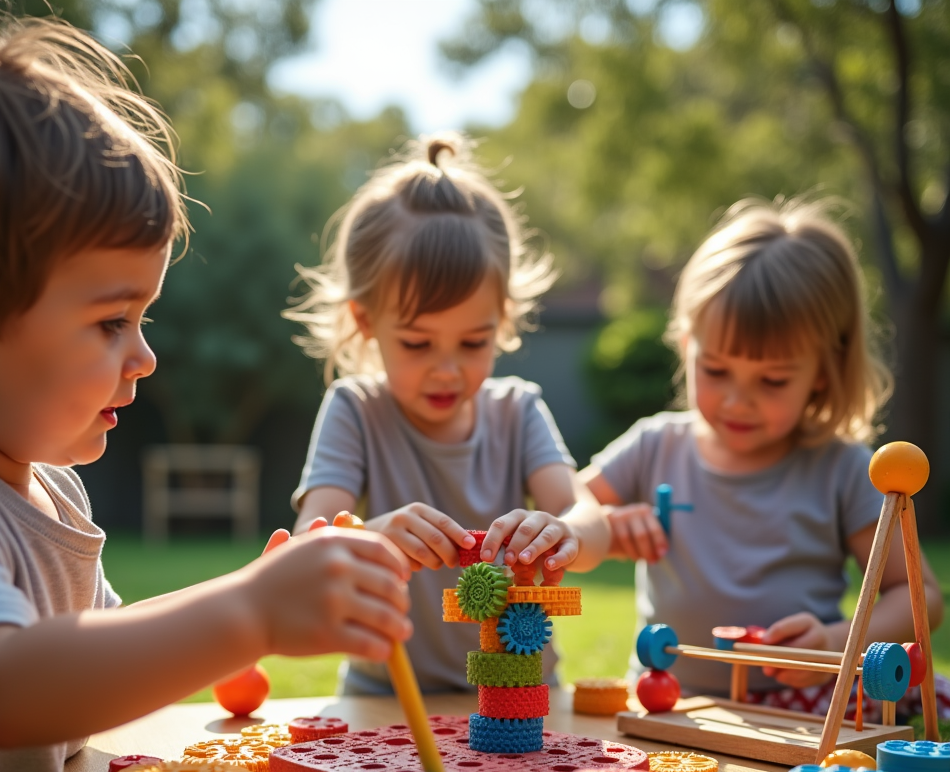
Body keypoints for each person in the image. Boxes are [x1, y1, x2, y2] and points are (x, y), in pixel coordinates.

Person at [0, 18, 412, 772]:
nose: (144, 357)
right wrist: (248, 611)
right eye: (112, 322)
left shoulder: (47, 490)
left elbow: (100, 670)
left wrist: (258, 593)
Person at [579, 197, 944, 711]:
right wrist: (604, 526)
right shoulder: (653, 444)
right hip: (669, 702)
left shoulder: (841, 468)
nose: (736, 400)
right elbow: (563, 511)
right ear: (686, 344)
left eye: (772, 380)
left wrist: (832, 643)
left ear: (822, 371)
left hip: (803, 703)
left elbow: (921, 599)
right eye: (716, 370)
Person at [288, 134, 608, 694]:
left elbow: (590, 519)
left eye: (473, 342)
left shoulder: (518, 409)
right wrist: (373, 536)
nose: (447, 370)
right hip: (386, 696)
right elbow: (304, 548)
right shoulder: (355, 411)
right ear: (365, 321)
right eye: (417, 343)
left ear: (503, 317)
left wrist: (564, 533)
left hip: (521, 691)